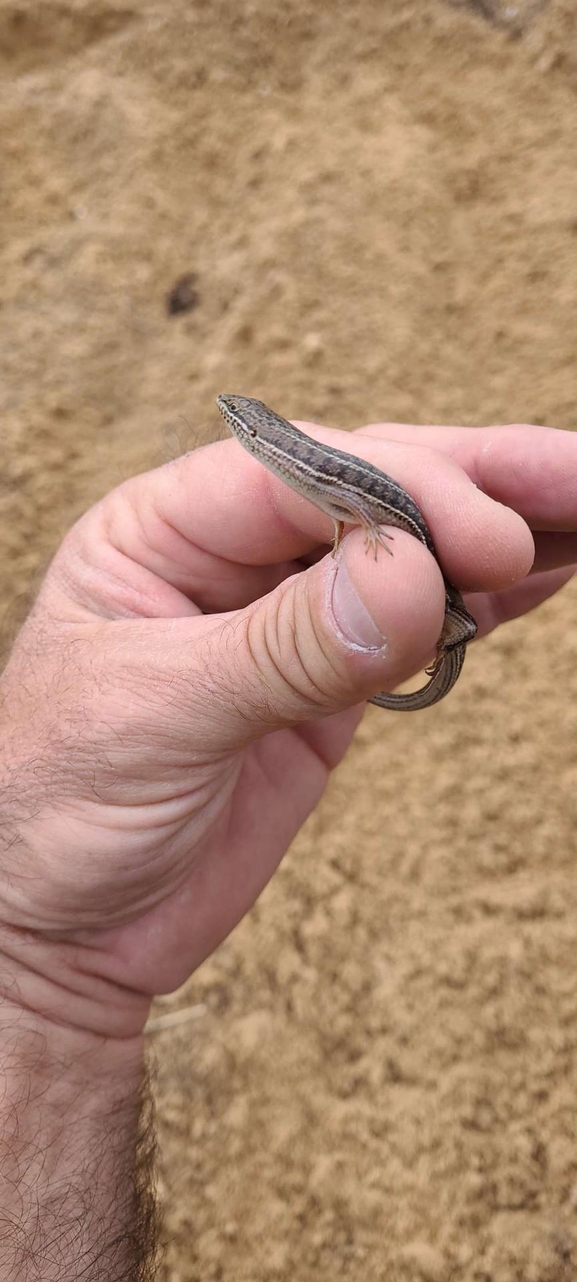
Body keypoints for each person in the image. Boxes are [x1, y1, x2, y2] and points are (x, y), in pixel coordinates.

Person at [0, 409, 575, 1279]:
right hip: (383, 545)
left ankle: (437, 630)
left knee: (434, 572)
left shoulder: (301, 466)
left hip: (400, 547)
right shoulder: (284, 466)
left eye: (244, 425)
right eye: (246, 428)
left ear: (262, 439)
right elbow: (338, 497)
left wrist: (41, 981)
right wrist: (38, 972)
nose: (240, 432)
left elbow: (355, 497)